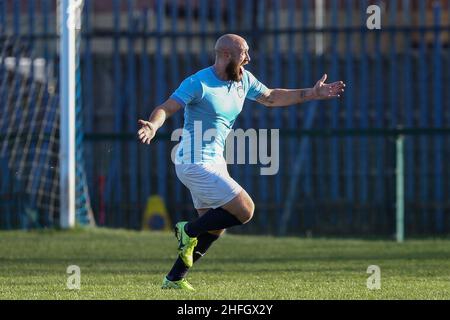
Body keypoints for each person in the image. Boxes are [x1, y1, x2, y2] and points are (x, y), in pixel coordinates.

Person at [137, 34, 345, 291]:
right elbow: (167, 107)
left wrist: (311, 94)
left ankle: (174, 278)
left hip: (215, 162)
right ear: (226, 55)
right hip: (192, 162)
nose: (248, 58)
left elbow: (270, 97)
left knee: (216, 226)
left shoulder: (243, 79)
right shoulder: (198, 82)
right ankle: (187, 230)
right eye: (244, 53)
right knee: (245, 209)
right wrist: (153, 125)